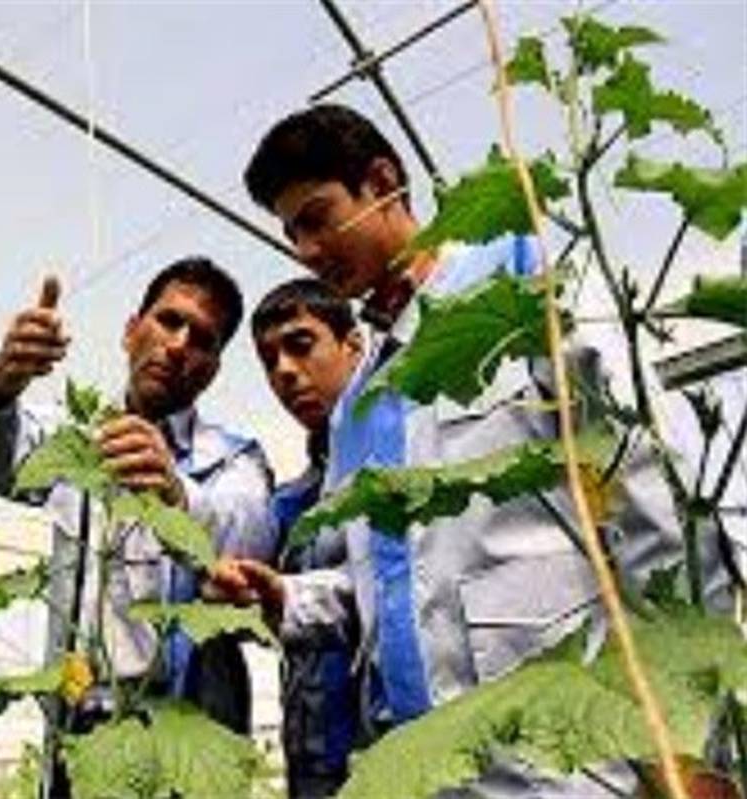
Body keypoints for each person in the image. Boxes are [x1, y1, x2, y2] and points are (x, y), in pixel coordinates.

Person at [211, 104, 740, 796]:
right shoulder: (359, 404)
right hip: (428, 771)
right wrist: (291, 596)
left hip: (568, 765)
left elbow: (655, 494)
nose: (305, 251)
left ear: (383, 183)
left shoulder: (521, 276)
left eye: (317, 218)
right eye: (291, 234)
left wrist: (693, 743)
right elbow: (386, 579)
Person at [0, 256, 274, 742]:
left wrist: (176, 493)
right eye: (169, 321)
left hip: (187, 726)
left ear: (212, 370)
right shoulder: (77, 440)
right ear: (130, 331)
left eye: (202, 339)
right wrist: (0, 381)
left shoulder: (233, 458)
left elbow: (251, 538)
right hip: (79, 716)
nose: (178, 344)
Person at [240, 278, 365, 798]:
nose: (284, 371)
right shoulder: (291, 500)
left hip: (384, 755)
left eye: (301, 345)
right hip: (311, 760)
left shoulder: (400, 469)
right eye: (269, 359)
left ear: (354, 346)